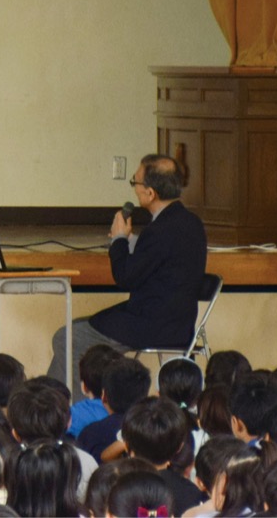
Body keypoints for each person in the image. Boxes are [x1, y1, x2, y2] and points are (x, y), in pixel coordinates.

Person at [47, 154, 207, 389]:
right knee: (74, 330)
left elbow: (125, 277)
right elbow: (158, 259)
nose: (134, 188)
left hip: (152, 325)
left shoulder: (160, 230)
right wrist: (131, 240)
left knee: (67, 338)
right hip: (177, 321)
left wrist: (119, 240)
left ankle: (78, 408)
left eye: (135, 182)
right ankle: (53, 401)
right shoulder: (190, 222)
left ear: (150, 193)